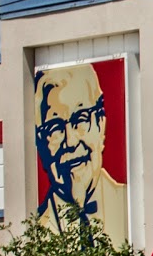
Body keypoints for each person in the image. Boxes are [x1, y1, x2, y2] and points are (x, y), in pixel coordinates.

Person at [33, 63, 127, 242]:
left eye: (81, 119)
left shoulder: (131, 205)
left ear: (101, 123)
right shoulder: (36, 235)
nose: (71, 141)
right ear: (41, 142)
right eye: (55, 128)